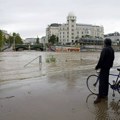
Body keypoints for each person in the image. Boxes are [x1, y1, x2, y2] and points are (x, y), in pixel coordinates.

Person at [94, 38, 115, 104]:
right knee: (106, 82)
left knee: (101, 83)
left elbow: (101, 59)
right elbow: (113, 58)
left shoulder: (105, 49)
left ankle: (99, 97)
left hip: (103, 68)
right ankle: (105, 95)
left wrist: (97, 66)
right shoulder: (112, 49)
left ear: (105, 43)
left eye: (104, 42)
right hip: (108, 67)